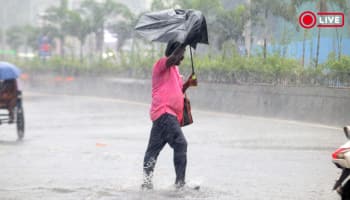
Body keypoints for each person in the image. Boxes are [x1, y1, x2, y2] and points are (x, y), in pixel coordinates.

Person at [141, 41, 197, 190]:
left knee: (153, 150)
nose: (183, 57)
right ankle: (180, 184)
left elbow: (178, 91)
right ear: (174, 52)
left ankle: (146, 183)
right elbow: (172, 59)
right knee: (181, 143)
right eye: (182, 53)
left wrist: (188, 84)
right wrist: (185, 42)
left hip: (163, 116)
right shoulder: (161, 65)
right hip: (165, 113)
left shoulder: (176, 73)